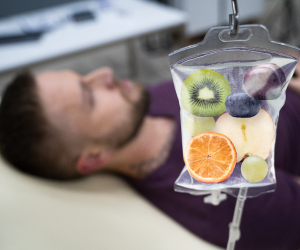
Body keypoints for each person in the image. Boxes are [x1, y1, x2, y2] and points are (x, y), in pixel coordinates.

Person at [0, 65, 300, 250]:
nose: (104, 72)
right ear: (92, 158)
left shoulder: (151, 101)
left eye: (84, 76)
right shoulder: (220, 203)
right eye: (89, 97)